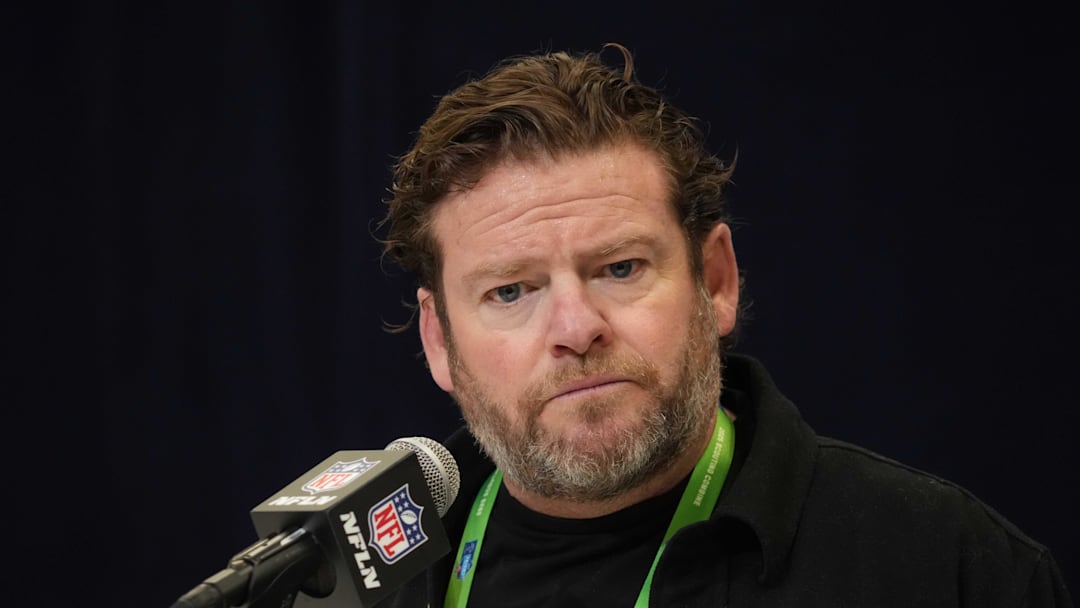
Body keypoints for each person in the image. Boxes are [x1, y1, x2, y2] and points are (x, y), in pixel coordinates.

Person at [376, 43, 1072, 607]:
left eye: (620, 268)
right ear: (439, 342)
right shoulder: (353, 583)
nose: (575, 327)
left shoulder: (942, 565)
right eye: (509, 291)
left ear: (715, 282)